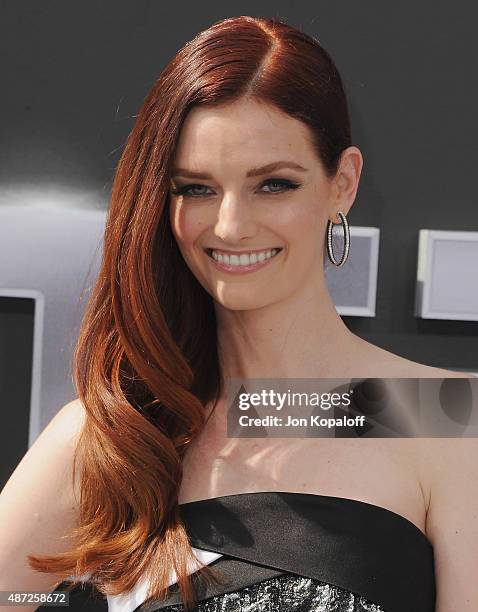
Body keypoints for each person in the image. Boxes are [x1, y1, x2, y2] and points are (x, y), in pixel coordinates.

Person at [0, 14, 477, 612]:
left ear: (343, 183)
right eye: (196, 188)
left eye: (273, 184)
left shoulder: (448, 418)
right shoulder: (115, 437)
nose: (229, 226)